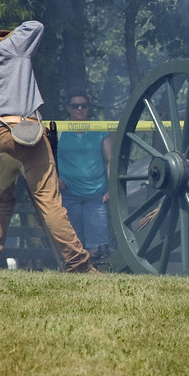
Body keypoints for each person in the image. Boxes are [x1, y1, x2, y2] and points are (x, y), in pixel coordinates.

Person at [0, 22, 96, 273]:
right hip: (27, 135)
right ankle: (79, 264)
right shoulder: (12, 50)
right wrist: (11, 39)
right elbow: (36, 26)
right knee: (50, 202)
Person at [56, 91, 113, 264]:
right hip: (69, 193)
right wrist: (55, 180)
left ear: (88, 109)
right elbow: (48, 160)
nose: (79, 109)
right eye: (75, 106)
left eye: (83, 105)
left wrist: (112, 189)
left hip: (97, 193)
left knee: (98, 243)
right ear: (68, 109)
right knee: (73, 239)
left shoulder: (99, 128)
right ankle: (76, 269)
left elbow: (110, 160)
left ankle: (99, 270)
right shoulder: (59, 130)